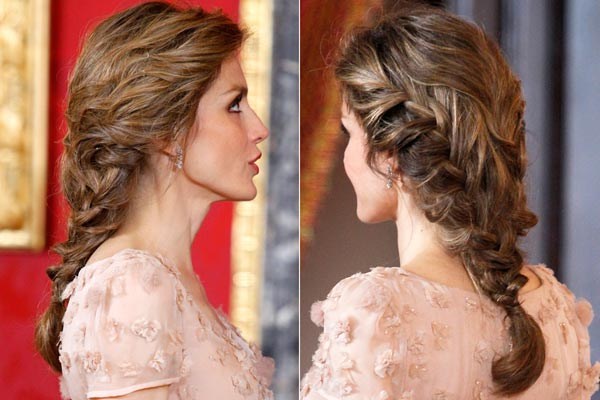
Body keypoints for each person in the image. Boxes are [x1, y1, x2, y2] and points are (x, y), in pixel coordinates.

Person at [301, 5, 600, 400]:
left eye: (349, 133)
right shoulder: (556, 309)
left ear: (390, 154)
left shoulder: (375, 309)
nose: (347, 155)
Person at [34, 2, 274, 399]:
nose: (259, 128)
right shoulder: (131, 284)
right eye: (234, 105)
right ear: (166, 133)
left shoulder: (163, 278)